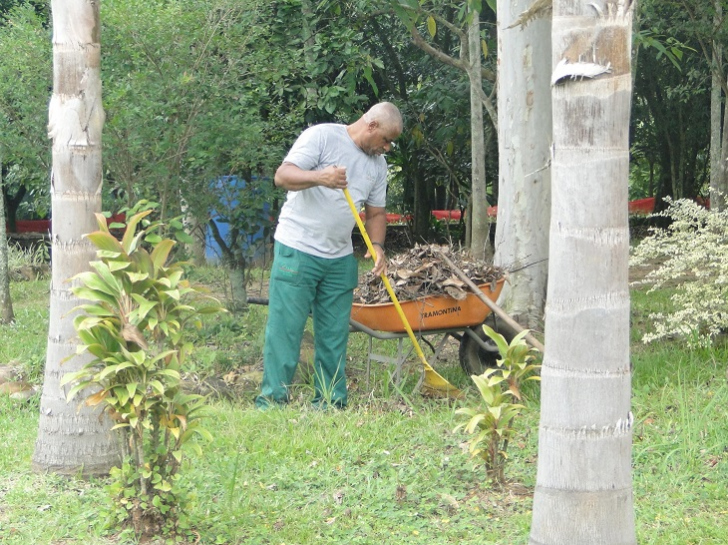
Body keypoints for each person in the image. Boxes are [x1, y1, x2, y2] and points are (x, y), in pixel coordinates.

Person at [255, 102, 403, 410]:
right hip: (297, 250)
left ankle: (329, 403)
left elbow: (376, 213)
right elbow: (283, 176)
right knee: (286, 330)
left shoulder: (377, 166)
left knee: (334, 335)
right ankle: (272, 402)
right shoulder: (322, 137)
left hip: (339, 258)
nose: (387, 148)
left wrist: (377, 247)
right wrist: (322, 177)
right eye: (386, 140)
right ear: (371, 125)